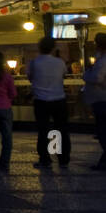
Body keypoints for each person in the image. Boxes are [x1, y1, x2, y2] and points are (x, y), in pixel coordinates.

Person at [27, 36, 70, 169]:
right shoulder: (60, 62)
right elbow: (64, 75)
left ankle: (45, 159)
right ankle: (62, 158)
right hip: (59, 99)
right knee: (60, 129)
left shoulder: (34, 63)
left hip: (41, 101)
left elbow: (30, 77)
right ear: (53, 48)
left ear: (39, 47)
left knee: (43, 130)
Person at [83, 33, 106, 170]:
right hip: (101, 98)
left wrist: (86, 75)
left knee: (103, 131)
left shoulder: (103, 61)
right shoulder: (101, 59)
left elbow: (97, 77)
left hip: (101, 99)